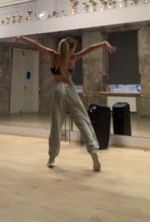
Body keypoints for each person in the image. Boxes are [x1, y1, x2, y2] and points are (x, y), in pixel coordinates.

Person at [15, 36, 117, 171]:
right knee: (83, 121)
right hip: (70, 89)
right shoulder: (72, 57)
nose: (74, 50)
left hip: (58, 90)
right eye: (73, 48)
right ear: (70, 48)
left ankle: (51, 158)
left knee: (56, 125)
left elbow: (37, 45)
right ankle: (93, 154)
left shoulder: (53, 55)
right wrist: (103, 42)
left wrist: (22, 38)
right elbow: (90, 49)